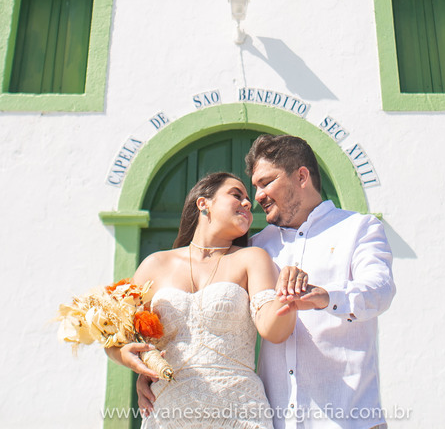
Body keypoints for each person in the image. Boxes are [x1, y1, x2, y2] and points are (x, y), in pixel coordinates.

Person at [108, 172, 304, 429]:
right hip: (168, 413)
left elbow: (273, 330)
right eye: (237, 195)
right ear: (204, 203)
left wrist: (289, 297)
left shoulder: (252, 259)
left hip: (240, 412)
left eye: (248, 199)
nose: (248, 203)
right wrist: (124, 356)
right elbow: (114, 337)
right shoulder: (155, 264)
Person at [246, 134, 396, 429]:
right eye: (256, 187)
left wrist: (326, 296)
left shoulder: (359, 229)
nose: (257, 197)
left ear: (301, 176)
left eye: (266, 182)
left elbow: (380, 289)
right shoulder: (255, 248)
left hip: (350, 420)